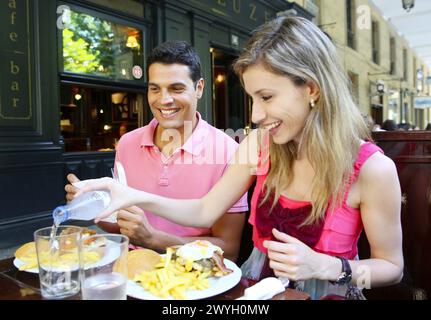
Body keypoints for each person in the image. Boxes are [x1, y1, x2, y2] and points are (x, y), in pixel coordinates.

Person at [77, 16, 403, 299]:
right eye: (251, 98)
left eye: (267, 97)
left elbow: (391, 269)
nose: (257, 114)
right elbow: (205, 210)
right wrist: (132, 196)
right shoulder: (259, 145)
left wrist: (328, 266)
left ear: (312, 89)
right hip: (252, 287)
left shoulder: (372, 169)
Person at [65, 40, 248, 262]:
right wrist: (91, 204)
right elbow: (122, 225)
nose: (163, 100)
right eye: (155, 89)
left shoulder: (229, 151)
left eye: (176, 88)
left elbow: (229, 250)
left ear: (199, 88)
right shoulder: (127, 143)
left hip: (196, 280)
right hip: (133, 272)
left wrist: (155, 240)